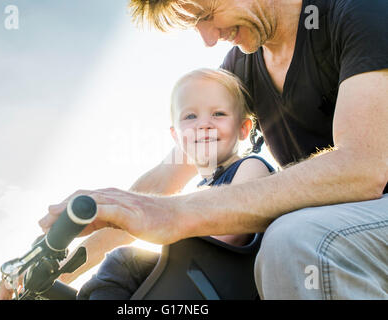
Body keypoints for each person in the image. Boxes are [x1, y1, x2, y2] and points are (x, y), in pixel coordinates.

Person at [6, 0, 387, 299]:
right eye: (196, 25)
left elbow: (363, 167)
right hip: (329, 224)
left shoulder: (357, 10)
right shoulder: (242, 66)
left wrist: (175, 215)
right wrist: (58, 266)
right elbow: (164, 179)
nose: (208, 37)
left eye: (207, 14)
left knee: (296, 238)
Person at [76, 68, 275, 299]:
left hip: (226, 284)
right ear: (176, 136)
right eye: (191, 116)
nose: (204, 124)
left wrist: (170, 226)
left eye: (218, 114)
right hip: (196, 280)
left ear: (243, 128)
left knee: (125, 262)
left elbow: (231, 228)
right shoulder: (202, 187)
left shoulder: (250, 166)